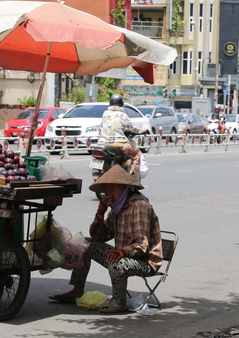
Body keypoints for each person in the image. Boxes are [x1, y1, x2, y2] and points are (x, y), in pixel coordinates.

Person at [49, 165, 162, 313]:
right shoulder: (117, 208)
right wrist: (100, 213)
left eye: (112, 187)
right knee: (86, 244)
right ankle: (77, 290)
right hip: (124, 254)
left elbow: (142, 246)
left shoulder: (139, 206)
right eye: (106, 188)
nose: (108, 191)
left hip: (145, 261)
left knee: (118, 263)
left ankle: (119, 301)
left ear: (125, 187)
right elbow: (99, 237)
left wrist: (123, 251)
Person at [98, 94, 146, 175]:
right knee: (136, 154)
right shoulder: (123, 115)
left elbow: (101, 127)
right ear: (121, 104)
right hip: (119, 144)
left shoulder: (105, 113)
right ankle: (130, 176)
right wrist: (141, 131)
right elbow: (132, 128)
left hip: (103, 144)